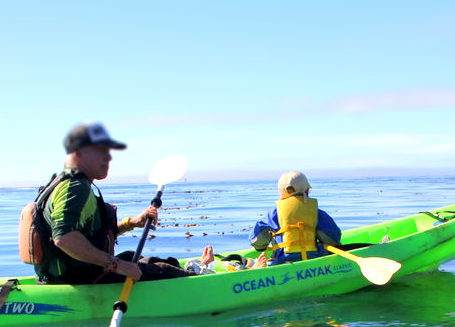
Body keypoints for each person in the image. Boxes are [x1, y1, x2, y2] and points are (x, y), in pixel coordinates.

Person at [35, 122, 210, 285]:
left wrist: (132, 223)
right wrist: (116, 265)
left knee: (137, 258)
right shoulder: (74, 187)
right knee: (163, 271)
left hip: (75, 272)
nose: (108, 158)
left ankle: (196, 268)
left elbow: (93, 236)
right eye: (100, 152)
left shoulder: (65, 183)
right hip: (78, 280)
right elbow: (64, 238)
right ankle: (204, 277)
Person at [249, 171, 342, 266]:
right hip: (314, 260)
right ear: (306, 191)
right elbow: (333, 239)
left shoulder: (272, 215)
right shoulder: (316, 212)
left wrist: (262, 246)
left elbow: (257, 243)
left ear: (282, 193)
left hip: (281, 263)